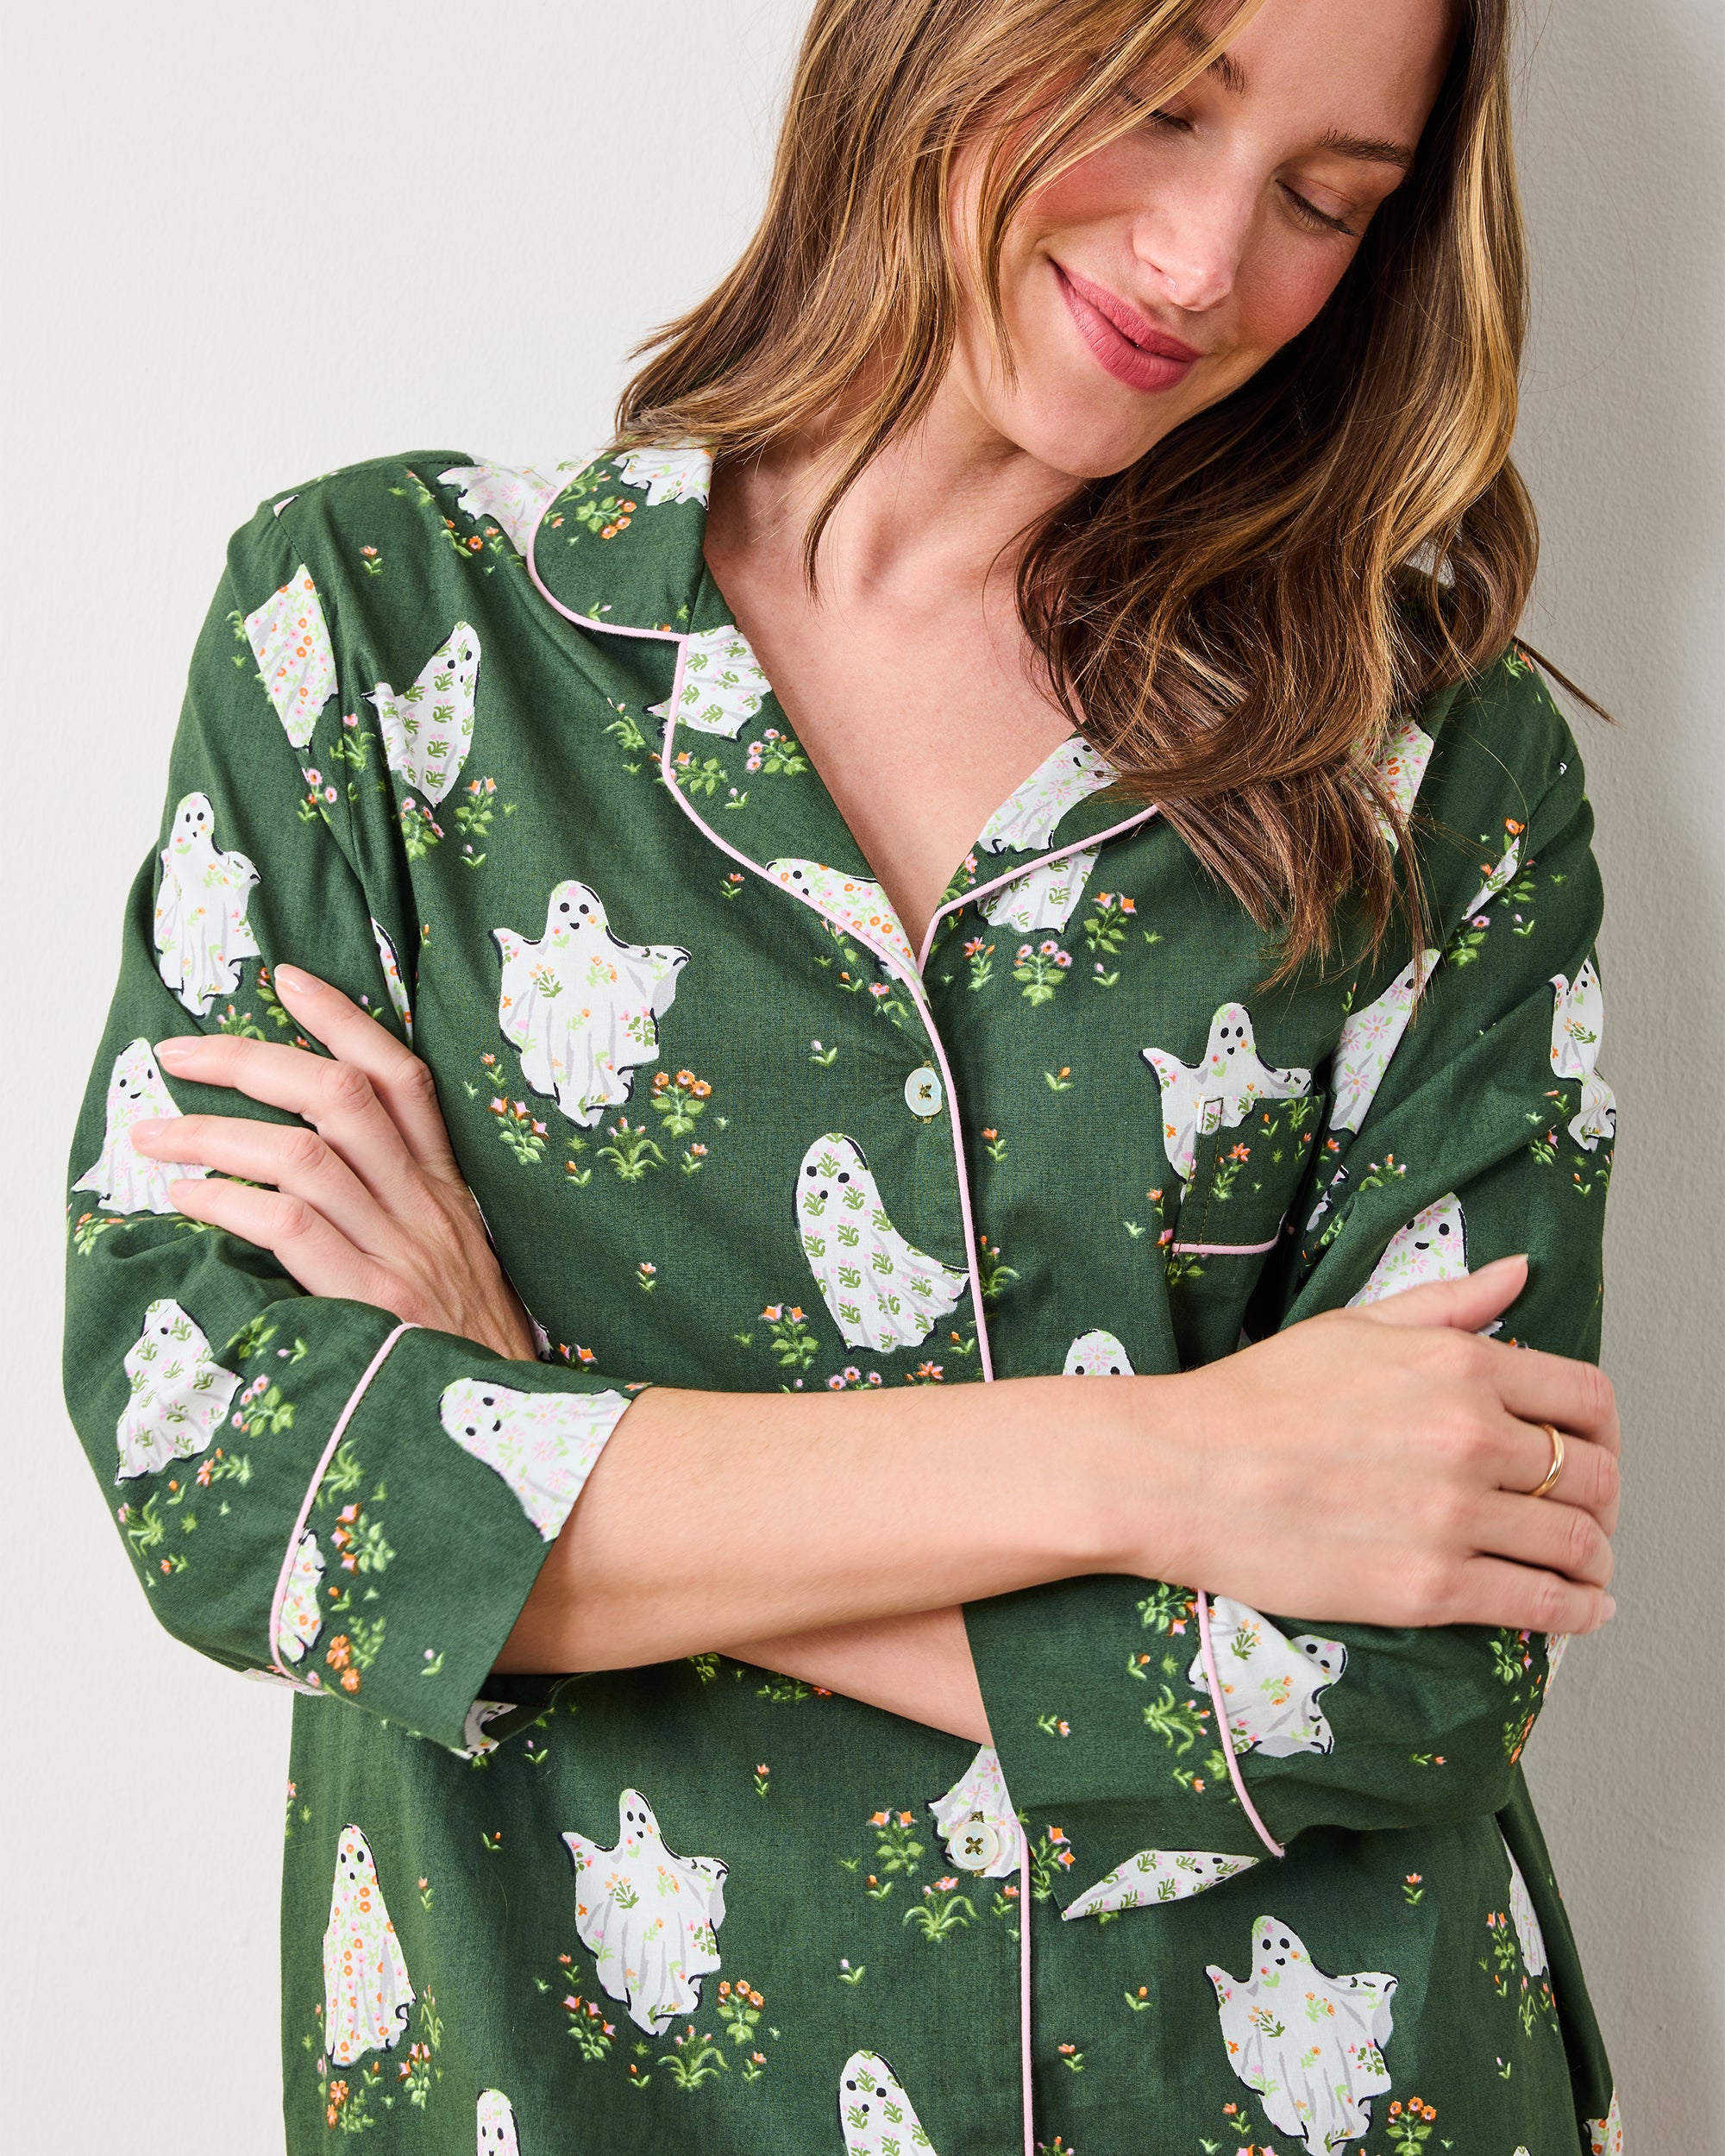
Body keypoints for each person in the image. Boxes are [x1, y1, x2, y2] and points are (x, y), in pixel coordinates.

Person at [60, 0, 1626, 2149]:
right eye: (1154, 104)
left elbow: (1427, 1659)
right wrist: (1168, 1464)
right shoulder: (380, 631)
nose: (1201, 261)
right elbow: (237, 1477)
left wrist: (520, 1424)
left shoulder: (1435, 765)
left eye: (1322, 201)